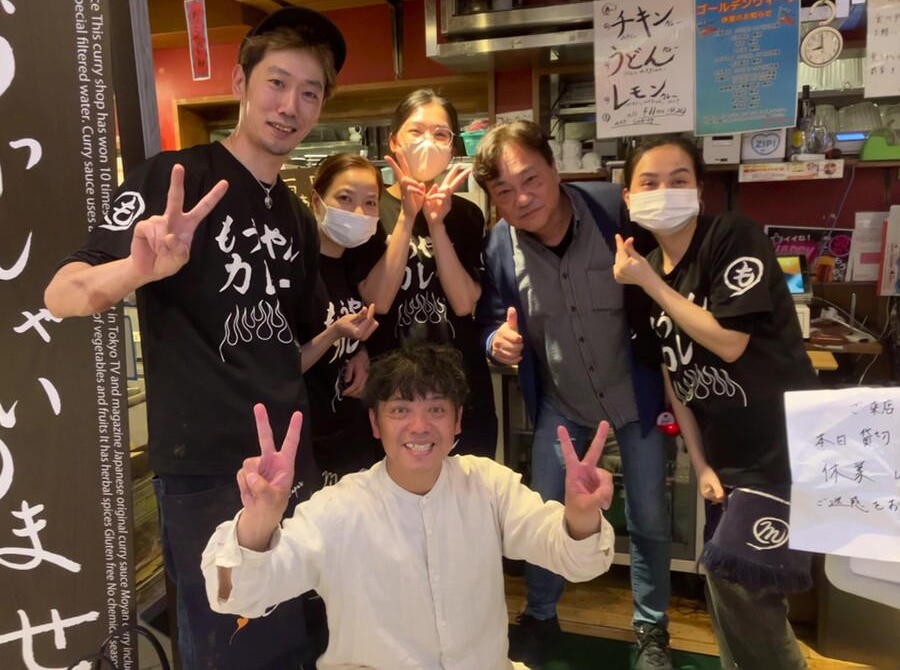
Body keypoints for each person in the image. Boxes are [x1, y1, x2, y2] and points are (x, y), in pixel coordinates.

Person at [44, 7, 348, 668]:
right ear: (240, 81)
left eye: (309, 92)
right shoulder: (170, 180)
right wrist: (137, 269)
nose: (289, 106)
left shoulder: (296, 218)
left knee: (300, 638)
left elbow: (283, 349)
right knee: (230, 645)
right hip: (208, 469)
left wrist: (345, 344)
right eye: (276, 82)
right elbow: (62, 292)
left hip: (288, 463)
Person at [201, 344, 617, 669]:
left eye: (436, 409)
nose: (419, 427)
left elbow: (576, 559)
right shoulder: (340, 510)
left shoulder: (488, 485)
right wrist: (259, 522)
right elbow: (236, 596)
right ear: (375, 423)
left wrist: (580, 517)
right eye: (400, 410)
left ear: (457, 422)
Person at [472, 119, 674, 670]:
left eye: (530, 179)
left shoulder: (616, 211)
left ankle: (651, 629)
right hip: (561, 405)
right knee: (545, 512)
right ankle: (540, 614)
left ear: (555, 168)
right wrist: (496, 341)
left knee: (649, 515)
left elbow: (670, 275)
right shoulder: (499, 245)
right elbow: (488, 317)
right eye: (503, 192)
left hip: (634, 399)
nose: (521, 199)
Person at [613, 134, 816, 669]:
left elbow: (729, 341)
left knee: (743, 586)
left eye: (679, 180)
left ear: (700, 191)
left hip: (779, 450)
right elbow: (674, 377)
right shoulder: (646, 268)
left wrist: (649, 283)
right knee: (727, 585)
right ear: (629, 198)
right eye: (649, 183)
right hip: (725, 460)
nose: (665, 191)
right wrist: (700, 464)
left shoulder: (730, 235)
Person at [344, 88, 498, 458]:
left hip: (459, 384)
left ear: (452, 145)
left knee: (466, 487)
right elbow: (378, 301)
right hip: (393, 388)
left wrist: (437, 224)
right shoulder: (371, 208)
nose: (428, 142)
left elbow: (463, 303)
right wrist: (407, 216)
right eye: (416, 131)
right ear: (395, 141)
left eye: (440, 134)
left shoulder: (466, 214)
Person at [304, 153, 386, 482]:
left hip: (354, 436)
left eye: (370, 203)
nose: (358, 213)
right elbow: (279, 368)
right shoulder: (296, 270)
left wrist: (360, 350)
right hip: (308, 442)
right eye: (345, 198)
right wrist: (334, 334)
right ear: (316, 200)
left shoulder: (356, 266)